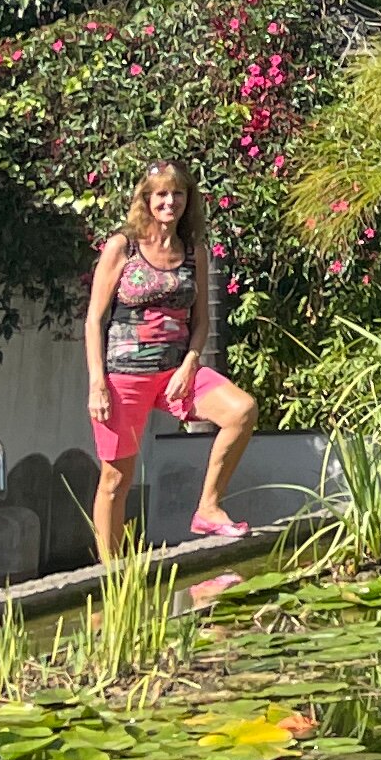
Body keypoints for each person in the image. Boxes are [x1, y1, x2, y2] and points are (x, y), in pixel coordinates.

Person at [83, 160, 261, 549]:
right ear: (146, 200)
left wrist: (190, 364)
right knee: (115, 480)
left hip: (176, 373)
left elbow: (201, 322)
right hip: (124, 376)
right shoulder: (123, 246)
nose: (169, 201)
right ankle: (112, 573)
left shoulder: (194, 252)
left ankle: (208, 508)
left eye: (178, 193)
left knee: (242, 411)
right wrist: (98, 383)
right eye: (161, 194)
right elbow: (94, 319)